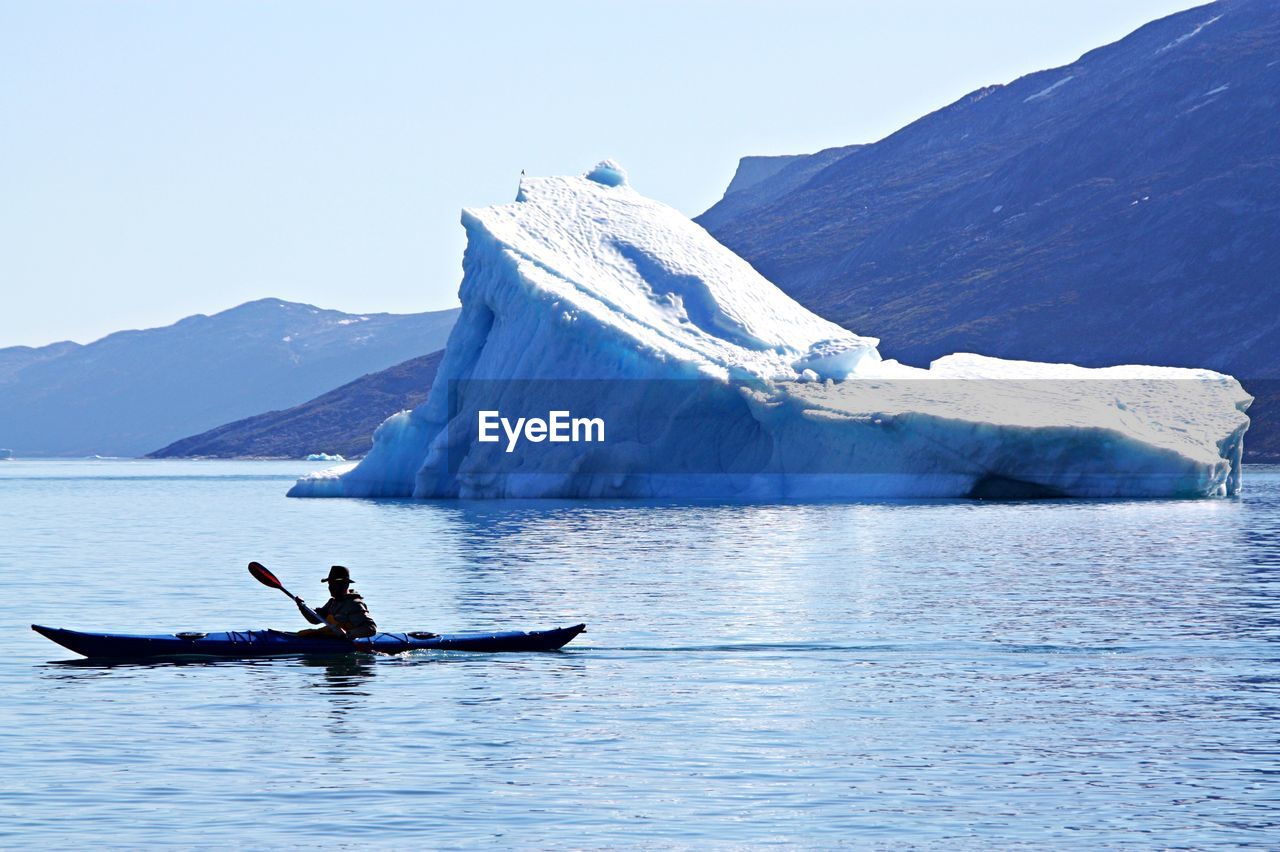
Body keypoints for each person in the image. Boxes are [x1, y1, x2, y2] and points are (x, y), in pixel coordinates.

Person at [294, 565, 378, 639]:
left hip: (349, 643)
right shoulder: (333, 603)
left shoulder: (354, 604)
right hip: (333, 639)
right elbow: (315, 619)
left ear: (345, 585)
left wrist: (347, 634)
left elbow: (371, 628)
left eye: (334, 584)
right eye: (329, 584)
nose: (330, 587)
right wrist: (301, 606)